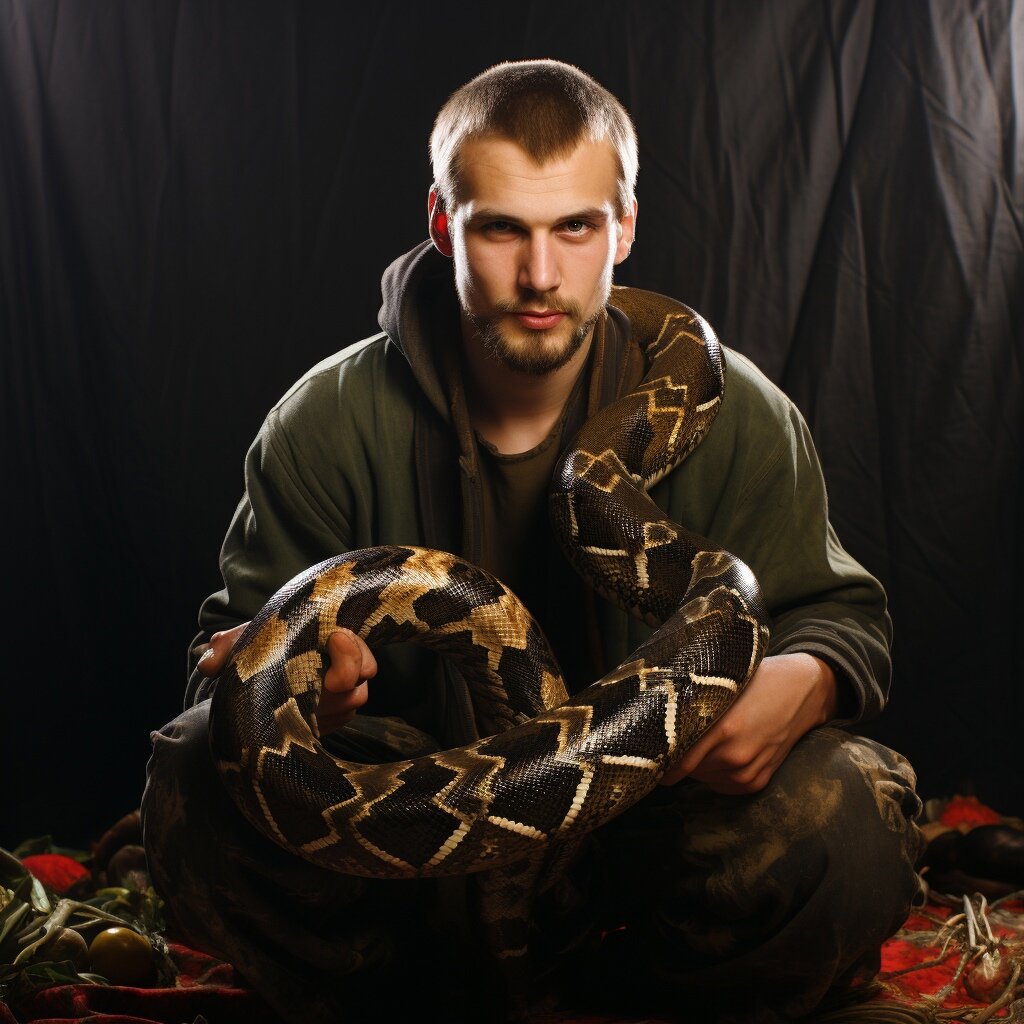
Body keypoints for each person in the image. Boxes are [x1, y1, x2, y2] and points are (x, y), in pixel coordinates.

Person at [141, 59, 924, 1023]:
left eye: (576, 228)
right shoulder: (323, 422)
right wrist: (298, 699)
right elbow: (221, 667)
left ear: (624, 227)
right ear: (443, 224)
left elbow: (842, 617)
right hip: (419, 848)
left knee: (845, 817)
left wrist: (808, 681)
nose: (541, 275)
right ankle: (430, 993)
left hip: (654, 826)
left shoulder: (742, 414)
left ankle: (622, 993)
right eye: (502, 228)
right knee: (192, 775)